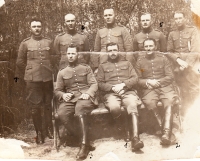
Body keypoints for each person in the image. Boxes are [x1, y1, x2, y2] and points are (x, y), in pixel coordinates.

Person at [97, 42, 144, 151]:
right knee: (114, 107)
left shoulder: (127, 63)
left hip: (127, 91)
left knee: (132, 104)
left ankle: (135, 138)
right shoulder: (102, 66)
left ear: (118, 50)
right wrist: (113, 88)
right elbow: (99, 83)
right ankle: (124, 128)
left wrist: (123, 85)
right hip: (111, 93)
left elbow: (135, 78)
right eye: (110, 51)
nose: (112, 53)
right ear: (107, 52)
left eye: (114, 50)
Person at [54, 45, 98, 160]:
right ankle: (84, 139)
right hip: (70, 99)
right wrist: (64, 95)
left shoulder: (86, 68)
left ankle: (83, 146)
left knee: (80, 109)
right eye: (68, 54)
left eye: (73, 53)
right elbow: (57, 90)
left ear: (78, 54)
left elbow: (94, 84)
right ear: (66, 55)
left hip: (85, 97)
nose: (71, 56)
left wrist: (88, 93)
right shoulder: (62, 72)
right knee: (62, 114)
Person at [16, 17, 55, 144]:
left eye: (39, 26)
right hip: (33, 80)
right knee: (35, 107)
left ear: (42, 27)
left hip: (47, 78)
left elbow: (54, 58)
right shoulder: (25, 43)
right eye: (34, 26)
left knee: (48, 105)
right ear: (30, 28)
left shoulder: (49, 42)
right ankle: (38, 132)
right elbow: (20, 62)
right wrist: (29, 70)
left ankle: (49, 129)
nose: (37, 28)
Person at [136, 38, 177, 145]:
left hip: (164, 87)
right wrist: (148, 81)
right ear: (144, 48)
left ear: (155, 47)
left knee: (168, 101)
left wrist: (158, 82)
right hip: (149, 89)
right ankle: (165, 132)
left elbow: (170, 76)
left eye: (150, 46)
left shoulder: (163, 59)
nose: (148, 48)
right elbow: (138, 79)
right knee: (150, 103)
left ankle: (166, 133)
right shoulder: (140, 62)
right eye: (146, 46)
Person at [167, 11, 200, 114]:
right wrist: (178, 60)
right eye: (176, 19)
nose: (178, 21)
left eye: (180, 18)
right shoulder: (172, 34)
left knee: (194, 91)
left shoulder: (193, 31)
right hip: (177, 68)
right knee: (181, 93)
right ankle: (182, 117)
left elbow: (195, 50)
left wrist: (186, 64)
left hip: (191, 68)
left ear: (185, 18)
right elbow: (169, 51)